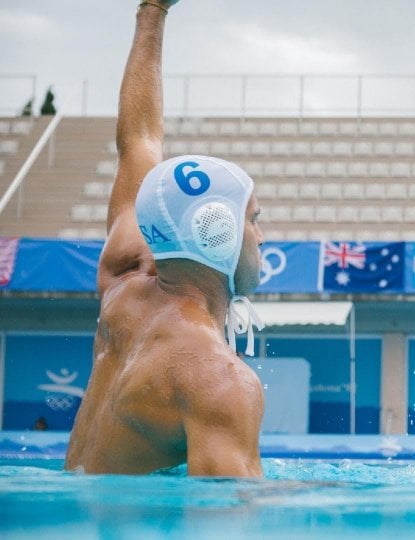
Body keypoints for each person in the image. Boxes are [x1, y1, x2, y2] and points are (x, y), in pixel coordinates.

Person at [64, 0, 265, 477]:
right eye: (254, 219)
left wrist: (152, 10)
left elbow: (139, 140)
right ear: (218, 232)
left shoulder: (122, 282)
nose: (261, 236)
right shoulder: (219, 381)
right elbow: (222, 518)